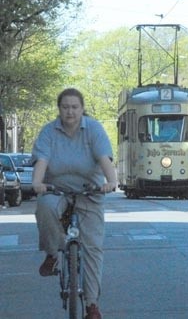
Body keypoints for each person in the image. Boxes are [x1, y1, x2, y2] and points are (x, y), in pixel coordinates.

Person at [32, 88, 116, 319]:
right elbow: (42, 160)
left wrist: (111, 181)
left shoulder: (93, 129)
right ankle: (52, 254)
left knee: (92, 248)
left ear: (81, 108)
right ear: (59, 109)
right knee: (45, 206)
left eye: (74, 107)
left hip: (90, 192)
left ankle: (91, 305)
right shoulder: (49, 131)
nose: (70, 111)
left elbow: (104, 159)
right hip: (57, 190)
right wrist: (37, 183)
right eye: (65, 107)